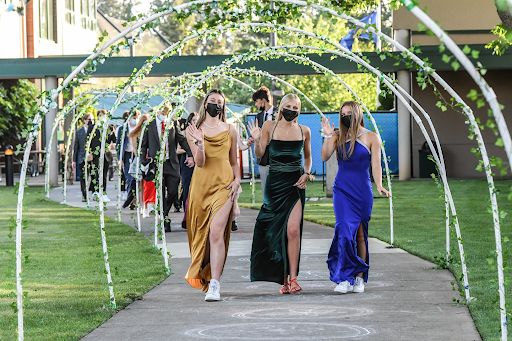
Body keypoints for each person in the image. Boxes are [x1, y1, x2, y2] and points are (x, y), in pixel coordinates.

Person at [320, 101, 391, 295]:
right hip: (342, 190)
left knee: (360, 234)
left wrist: (379, 185)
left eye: (349, 113)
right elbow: (325, 156)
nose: (346, 116)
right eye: (343, 114)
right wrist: (327, 135)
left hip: (362, 191)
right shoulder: (337, 136)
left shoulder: (371, 137)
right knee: (344, 232)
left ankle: (359, 278)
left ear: (357, 113)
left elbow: (376, 165)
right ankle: (344, 277)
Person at [247, 93, 312, 295]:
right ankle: (282, 279)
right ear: (281, 107)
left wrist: (307, 174)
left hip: (295, 184)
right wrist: (257, 141)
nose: (292, 110)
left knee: (292, 230)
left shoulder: (304, 131)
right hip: (274, 184)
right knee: (276, 232)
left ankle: (293, 279)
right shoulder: (269, 127)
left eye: (296, 108)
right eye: (289, 106)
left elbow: (308, 158)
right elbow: (260, 154)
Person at [185, 89, 241, 301]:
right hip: (201, 186)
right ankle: (205, 275)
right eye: (213, 101)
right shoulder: (193, 130)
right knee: (203, 236)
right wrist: (200, 142)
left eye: (220, 102)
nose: (216, 105)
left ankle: (215, 284)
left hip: (224, 185)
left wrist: (237, 181)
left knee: (216, 231)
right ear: (205, 103)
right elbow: (199, 162)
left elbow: (234, 161)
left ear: (223, 107)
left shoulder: (231, 129)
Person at [141, 104, 194, 232]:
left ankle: (164, 212)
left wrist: (191, 154)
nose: (165, 115)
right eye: (164, 112)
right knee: (160, 192)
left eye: (167, 112)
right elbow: (143, 145)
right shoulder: (150, 125)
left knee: (173, 192)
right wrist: (144, 161)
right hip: (156, 164)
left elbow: (181, 139)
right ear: (158, 112)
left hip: (171, 163)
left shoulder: (173, 123)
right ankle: (165, 219)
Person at [87, 109, 117, 202]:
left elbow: (114, 141)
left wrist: (112, 145)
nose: (102, 117)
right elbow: (88, 141)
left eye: (104, 115)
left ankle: (103, 192)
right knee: (95, 173)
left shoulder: (110, 128)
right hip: (95, 154)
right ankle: (95, 191)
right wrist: (89, 153)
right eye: (100, 115)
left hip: (105, 154)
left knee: (104, 173)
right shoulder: (92, 127)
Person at [252, 86, 274, 195]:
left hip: (277, 159)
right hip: (263, 159)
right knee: (265, 190)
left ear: (263, 100)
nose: (256, 105)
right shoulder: (258, 116)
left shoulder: (279, 113)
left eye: (256, 102)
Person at [178, 112, 198, 229]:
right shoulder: (185, 132)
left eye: (197, 120)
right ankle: (187, 214)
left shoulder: (202, 131)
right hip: (187, 163)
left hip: (199, 163)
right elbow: (178, 150)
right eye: (193, 120)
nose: (195, 122)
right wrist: (190, 150)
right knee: (187, 187)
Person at [116, 110, 140, 201]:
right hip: (127, 154)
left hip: (137, 154)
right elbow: (119, 144)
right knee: (128, 176)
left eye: (137, 118)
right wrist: (120, 158)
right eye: (134, 118)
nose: (136, 120)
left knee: (137, 176)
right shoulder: (123, 129)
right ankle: (130, 196)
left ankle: (136, 197)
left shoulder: (140, 128)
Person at [73, 112, 94, 201]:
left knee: (93, 176)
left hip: (92, 158)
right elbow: (76, 147)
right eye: (89, 119)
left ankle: (93, 192)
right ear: (84, 120)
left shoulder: (95, 130)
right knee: (83, 177)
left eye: (92, 120)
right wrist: (74, 160)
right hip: (82, 157)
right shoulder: (78, 132)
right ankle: (84, 194)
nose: (91, 121)